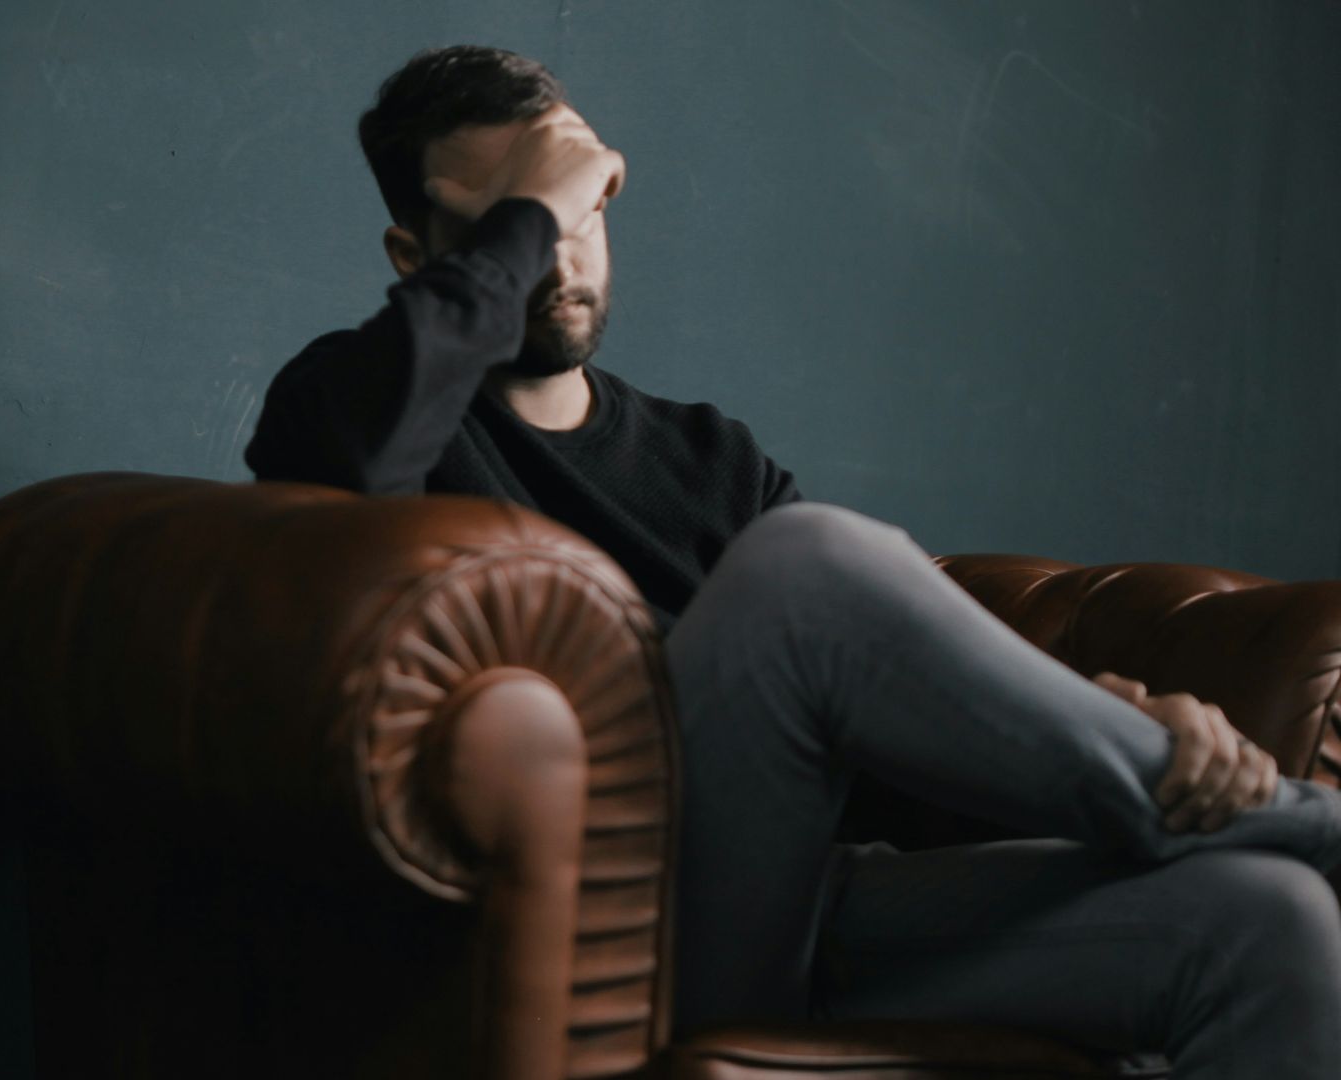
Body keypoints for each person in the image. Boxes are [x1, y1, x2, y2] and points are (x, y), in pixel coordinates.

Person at [243, 45, 1341, 1076]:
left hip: (805, 910)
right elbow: (357, 463)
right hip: (608, 933)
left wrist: (1109, 721)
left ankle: (1221, 814)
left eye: (583, 209)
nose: (561, 253)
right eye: (519, 222)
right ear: (417, 258)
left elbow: (876, 730)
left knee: (1269, 921)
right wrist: (535, 208)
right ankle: (1301, 823)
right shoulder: (351, 402)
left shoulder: (708, 456)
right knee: (805, 564)